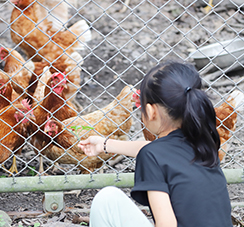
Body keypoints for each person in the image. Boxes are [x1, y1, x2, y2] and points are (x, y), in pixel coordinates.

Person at [78, 61, 233, 227]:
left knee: (107, 199)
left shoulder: (153, 157)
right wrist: (104, 144)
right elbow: (155, 151)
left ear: (151, 112)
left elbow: (167, 224)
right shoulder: (203, 143)